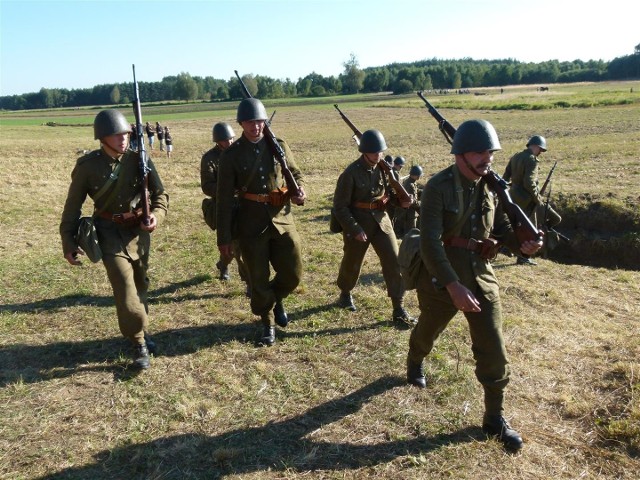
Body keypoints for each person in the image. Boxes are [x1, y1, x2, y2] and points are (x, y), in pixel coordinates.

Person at [405, 119, 543, 452]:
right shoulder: (438, 187)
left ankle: (494, 418)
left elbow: (503, 227)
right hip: (441, 275)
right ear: (461, 154)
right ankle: (414, 359)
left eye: (491, 152)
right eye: (480, 152)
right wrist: (452, 285)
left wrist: (520, 243)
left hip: (481, 274)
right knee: (428, 329)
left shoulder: (493, 186)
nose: (488, 158)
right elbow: (430, 243)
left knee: (493, 346)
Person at [59, 109, 169, 369]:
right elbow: (72, 207)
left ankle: (140, 327)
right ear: (102, 137)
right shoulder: (88, 167)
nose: (123, 139)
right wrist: (68, 241)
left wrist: (155, 217)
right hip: (107, 232)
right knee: (124, 288)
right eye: (116, 135)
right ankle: (139, 342)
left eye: (126, 134)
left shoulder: (139, 159)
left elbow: (160, 195)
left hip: (138, 233)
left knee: (141, 282)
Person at [216, 98, 306, 347]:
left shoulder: (279, 145)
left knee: (293, 271)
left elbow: (295, 173)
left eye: (259, 121)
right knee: (258, 276)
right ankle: (267, 322)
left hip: (282, 218)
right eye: (250, 122)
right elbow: (223, 200)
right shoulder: (232, 155)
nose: (256, 126)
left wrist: (299, 190)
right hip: (250, 222)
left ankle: (274, 299)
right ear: (241, 124)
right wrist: (223, 238)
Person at [332, 129, 416, 327]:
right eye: (374, 152)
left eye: (381, 151)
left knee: (394, 262)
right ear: (364, 152)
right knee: (352, 262)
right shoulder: (350, 173)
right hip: (358, 222)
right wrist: (354, 229)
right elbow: (340, 206)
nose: (379, 155)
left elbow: (389, 196)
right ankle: (345, 292)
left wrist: (402, 202)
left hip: (381, 221)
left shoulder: (385, 170)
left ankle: (398, 306)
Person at [200, 122, 250, 292]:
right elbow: (206, 186)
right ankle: (233, 270)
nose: (229, 143)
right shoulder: (209, 159)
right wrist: (227, 189)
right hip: (225, 207)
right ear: (217, 141)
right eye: (224, 140)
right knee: (234, 246)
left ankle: (227, 266)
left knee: (243, 246)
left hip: (245, 205)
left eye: (230, 139)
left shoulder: (241, 152)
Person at [502, 135, 562, 265]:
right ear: (536, 146)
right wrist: (537, 198)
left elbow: (505, 177)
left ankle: (508, 249)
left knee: (514, 225)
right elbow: (529, 183)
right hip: (526, 200)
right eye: (540, 149)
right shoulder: (531, 160)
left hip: (512, 196)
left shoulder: (516, 156)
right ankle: (524, 257)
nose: (540, 152)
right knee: (529, 229)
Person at [393, 165, 423, 239]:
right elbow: (413, 202)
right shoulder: (410, 185)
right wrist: (422, 203)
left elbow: (416, 191)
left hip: (408, 214)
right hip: (410, 215)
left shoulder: (410, 182)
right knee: (411, 235)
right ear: (417, 176)